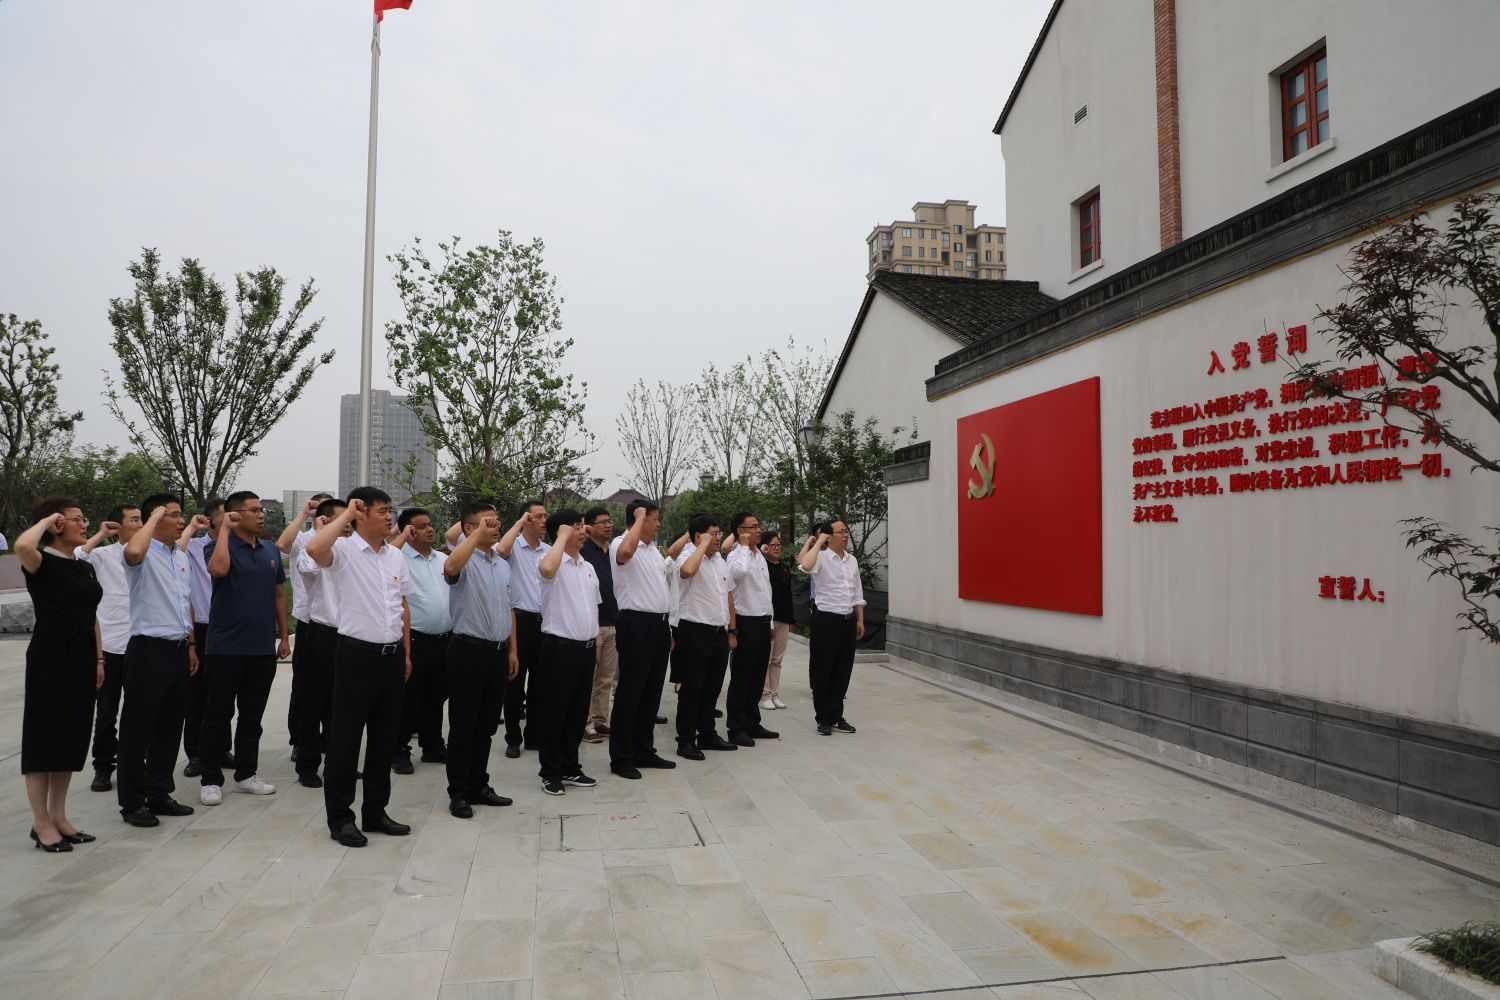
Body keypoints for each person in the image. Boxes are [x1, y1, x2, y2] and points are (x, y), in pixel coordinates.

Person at [305, 486, 414, 847]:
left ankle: (376, 811)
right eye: (382, 510)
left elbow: (401, 607)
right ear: (362, 513)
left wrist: (406, 653)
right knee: (346, 740)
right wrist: (347, 516)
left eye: (390, 510)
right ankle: (340, 818)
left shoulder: (395, 556)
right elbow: (314, 550)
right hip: (356, 656)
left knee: (384, 739)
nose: (389, 516)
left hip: (391, 656)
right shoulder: (344, 550)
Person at [16, 497, 102, 852]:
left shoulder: (81, 565)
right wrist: (48, 518)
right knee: (43, 739)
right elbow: (23, 544)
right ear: (56, 525)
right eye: (76, 519)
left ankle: (59, 816)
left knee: (69, 738)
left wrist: (99, 660)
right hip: (50, 658)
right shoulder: (41, 562)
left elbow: (91, 616)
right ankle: (41, 824)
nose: (84, 524)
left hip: (82, 657)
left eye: (84, 518)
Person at [198, 491, 289, 805]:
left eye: (262, 509)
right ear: (235, 514)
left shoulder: (269, 550)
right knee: (217, 715)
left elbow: (279, 595)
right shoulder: (216, 546)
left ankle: (246, 774)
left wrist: (283, 636)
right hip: (225, 647)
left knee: (252, 716)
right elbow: (218, 570)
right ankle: (210, 779)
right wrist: (224, 529)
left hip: (261, 647)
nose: (261, 515)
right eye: (254, 510)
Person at [116, 493, 199, 827]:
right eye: (174, 515)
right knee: (137, 729)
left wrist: (191, 644)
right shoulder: (142, 550)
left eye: (181, 515)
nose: (181, 520)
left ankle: (159, 793)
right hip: (148, 650)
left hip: (177, 649)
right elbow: (133, 552)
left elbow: (185, 601)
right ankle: (132, 802)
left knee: (169, 726)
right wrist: (150, 518)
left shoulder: (179, 555)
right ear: (156, 517)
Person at [442, 501, 517, 817]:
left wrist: (512, 650)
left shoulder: (501, 564)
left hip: (497, 653)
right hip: (468, 652)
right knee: (463, 726)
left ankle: (478, 785)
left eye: (497, 520)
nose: (495, 525)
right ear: (469, 528)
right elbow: (450, 568)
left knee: (486, 726)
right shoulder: (464, 558)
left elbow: (508, 608)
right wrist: (473, 537)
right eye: (488, 521)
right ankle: (459, 792)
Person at [607, 499, 677, 779]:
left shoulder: (653, 552)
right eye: (653, 518)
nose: (658, 523)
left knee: (651, 692)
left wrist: (667, 628)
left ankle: (643, 750)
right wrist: (638, 518)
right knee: (630, 692)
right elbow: (625, 553)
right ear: (638, 519)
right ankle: (621, 757)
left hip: (658, 625)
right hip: (635, 624)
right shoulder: (621, 543)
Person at [535, 508, 600, 795]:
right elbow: (547, 570)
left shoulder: (587, 566)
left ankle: (571, 767)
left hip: (585, 649)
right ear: (562, 531)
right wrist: (561, 537)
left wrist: (595, 643)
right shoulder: (549, 560)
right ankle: (550, 772)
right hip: (559, 649)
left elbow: (593, 608)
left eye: (583, 525)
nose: (584, 530)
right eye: (577, 526)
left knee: (577, 713)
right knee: (555, 713)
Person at [77, 504, 141, 792]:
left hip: (141, 645)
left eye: (141, 519)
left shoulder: (148, 554)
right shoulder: (104, 555)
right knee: (106, 714)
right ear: (118, 526)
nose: (140, 524)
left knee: (138, 712)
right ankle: (103, 766)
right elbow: (78, 555)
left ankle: (134, 764)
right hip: (112, 647)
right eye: (134, 520)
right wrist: (101, 534)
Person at [291, 498, 349, 787]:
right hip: (322, 634)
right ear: (325, 520)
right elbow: (309, 567)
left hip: (350, 636)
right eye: (341, 518)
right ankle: (307, 765)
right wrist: (320, 532)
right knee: (314, 702)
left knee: (343, 704)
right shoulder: (312, 548)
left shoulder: (353, 549)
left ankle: (338, 764)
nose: (347, 524)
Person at [392, 507, 452, 774]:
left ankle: (432, 745)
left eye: (430, 524)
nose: (430, 529)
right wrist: (401, 537)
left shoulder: (442, 559)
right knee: (409, 698)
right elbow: (385, 555)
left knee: (436, 697)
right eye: (422, 526)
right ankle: (399, 749)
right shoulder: (397, 558)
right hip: (415, 640)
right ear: (408, 530)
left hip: (444, 640)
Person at [673, 514, 738, 759]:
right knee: (692, 689)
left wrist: (732, 630)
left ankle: (707, 734)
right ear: (699, 536)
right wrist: (701, 545)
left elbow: (729, 597)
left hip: (719, 632)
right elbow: (687, 571)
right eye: (714, 534)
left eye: (719, 533)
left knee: (712, 688)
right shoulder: (687, 556)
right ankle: (686, 740)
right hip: (694, 631)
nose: (718, 538)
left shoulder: (720, 561)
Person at [180, 498, 234, 777]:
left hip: (228, 628)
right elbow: (172, 551)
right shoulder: (193, 546)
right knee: (197, 695)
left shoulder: (236, 546)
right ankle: (196, 754)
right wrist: (191, 527)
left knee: (224, 693)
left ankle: (222, 748)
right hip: (200, 627)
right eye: (226, 514)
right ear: (211, 519)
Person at [276, 493, 331, 761]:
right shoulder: (303, 538)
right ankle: (299, 739)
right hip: (309, 621)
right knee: (304, 686)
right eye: (321, 509)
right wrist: (304, 514)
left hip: (336, 625)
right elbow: (282, 545)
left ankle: (329, 742)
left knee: (333, 690)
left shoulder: (342, 541)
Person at [799, 519, 865, 736]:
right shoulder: (820, 557)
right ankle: (823, 718)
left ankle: (837, 716)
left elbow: (857, 593)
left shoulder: (852, 560)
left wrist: (860, 619)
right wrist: (819, 542)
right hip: (826, 620)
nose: (846, 535)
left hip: (847, 621)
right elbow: (805, 566)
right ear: (829, 535)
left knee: (842, 671)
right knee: (823, 671)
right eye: (841, 531)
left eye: (846, 531)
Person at [494, 500, 547, 758]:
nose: (545, 520)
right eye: (539, 516)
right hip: (519, 622)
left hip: (545, 623)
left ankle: (534, 735)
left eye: (546, 515)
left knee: (540, 684)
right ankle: (513, 738)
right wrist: (518, 524)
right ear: (526, 519)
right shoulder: (513, 547)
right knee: (514, 682)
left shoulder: (549, 550)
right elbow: (501, 549)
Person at [722, 511, 779, 747]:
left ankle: (752, 722)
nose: (758, 530)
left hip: (762, 622)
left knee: (757, 677)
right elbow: (739, 573)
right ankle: (736, 728)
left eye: (758, 526)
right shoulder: (736, 556)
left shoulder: (759, 556)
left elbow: (766, 591)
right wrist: (744, 547)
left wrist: (771, 622)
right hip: (745, 623)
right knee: (742, 677)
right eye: (753, 527)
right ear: (740, 531)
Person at [580, 507, 617, 743]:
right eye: (602, 522)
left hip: (613, 622)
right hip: (593, 624)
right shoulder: (583, 550)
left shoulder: (612, 552)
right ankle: (584, 724)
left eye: (609, 521)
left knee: (606, 678)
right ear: (589, 526)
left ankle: (600, 720)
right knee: (589, 678)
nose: (608, 525)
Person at [758, 529, 794, 712]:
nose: (777, 548)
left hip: (784, 619)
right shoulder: (761, 565)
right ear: (764, 546)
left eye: (779, 545)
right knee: (766, 659)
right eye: (773, 545)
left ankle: (775, 693)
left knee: (777, 660)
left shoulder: (784, 567)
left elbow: (787, 594)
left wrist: (791, 620)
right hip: (768, 619)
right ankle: (765, 695)